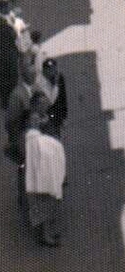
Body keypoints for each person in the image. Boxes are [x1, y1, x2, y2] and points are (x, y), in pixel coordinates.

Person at [25, 96, 67, 247]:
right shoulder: (34, 121)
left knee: (49, 203)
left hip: (48, 164)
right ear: (36, 106)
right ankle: (45, 236)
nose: (46, 106)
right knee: (44, 203)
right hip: (42, 169)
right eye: (43, 104)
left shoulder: (41, 117)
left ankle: (47, 233)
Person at [35, 58, 68, 137]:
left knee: (57, 134)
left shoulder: (59, 77)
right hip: (46, 114)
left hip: (57, 113)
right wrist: (56, 85)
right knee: (50, 136)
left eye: (53, 69)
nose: (52, 72)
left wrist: (63, 116)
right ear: (44, 71)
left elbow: (63, 97)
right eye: (49, 70)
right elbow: (50, 101)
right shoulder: (40, 82)